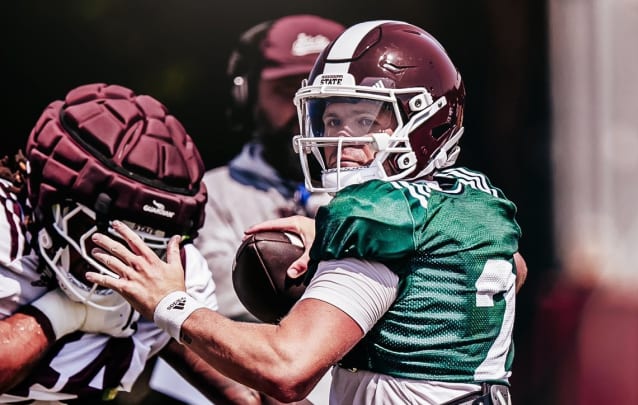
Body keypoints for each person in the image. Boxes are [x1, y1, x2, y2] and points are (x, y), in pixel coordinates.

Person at [88, 20, 527, 405]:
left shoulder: (376, 219)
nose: (340, 140)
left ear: (428, 122)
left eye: (366, 120)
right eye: (333, 121)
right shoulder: (469, 199)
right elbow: (514, 271)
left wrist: (172, 305)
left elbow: (288, 369)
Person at [0, 82, 261, 404]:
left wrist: (175, 310)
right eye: (115, 229)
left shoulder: (177, 269)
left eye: (149, 236)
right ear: (51, 196)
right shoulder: (6, 229)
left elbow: (248, 390)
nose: (125, 255)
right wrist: (61, 313)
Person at [198, 14, 345, 322]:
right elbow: (220, 309)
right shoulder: (208, 195)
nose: (305, 113)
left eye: (323, 95)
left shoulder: (396, 197)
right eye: (288, 90)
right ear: (247, 95)